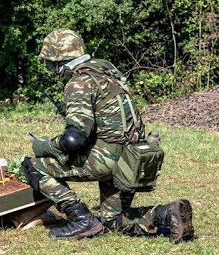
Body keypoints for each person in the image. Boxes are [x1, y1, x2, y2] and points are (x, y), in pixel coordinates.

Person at [22, 29, 194, 243]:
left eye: (50, 64)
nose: (51, 70)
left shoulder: (79, 83)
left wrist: (46, 146)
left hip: (108, 161)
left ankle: (81, 218)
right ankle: (166, 213)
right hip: (131, 161)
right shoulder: (109, 73)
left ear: (59, 62)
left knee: (32, 165)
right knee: (112, 220)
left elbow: (73, 140)